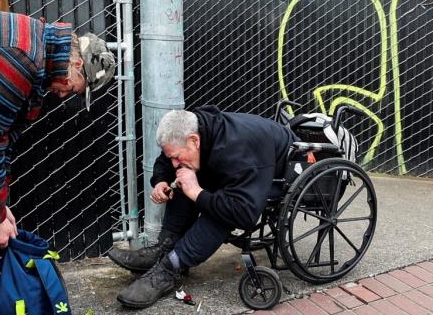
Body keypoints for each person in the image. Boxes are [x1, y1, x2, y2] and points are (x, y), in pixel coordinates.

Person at [0, 10, 115, 315]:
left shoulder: (36, 55)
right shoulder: (19, 59)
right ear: (77, 65)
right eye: (76, 88)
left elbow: (0, 139)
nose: (66, 96)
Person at [108, 105, 298, 309]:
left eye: (176, 156)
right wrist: (161, 180)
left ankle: (169, 269)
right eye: (172, 157)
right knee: (183, 175)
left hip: (278, 175)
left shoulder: (240, 151)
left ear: (194, 141)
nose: (174, 162)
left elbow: (243, 213)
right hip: (236, 170)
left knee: (219, 211)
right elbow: (167, 158)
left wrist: (197, 193)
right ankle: (165, 248)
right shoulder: (190, 131)